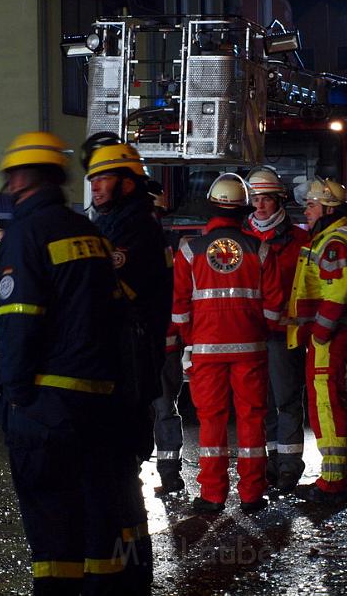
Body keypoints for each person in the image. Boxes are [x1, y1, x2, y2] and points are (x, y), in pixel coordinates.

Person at [0, 131, 148, 595]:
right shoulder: (91, 234)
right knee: (98, 519)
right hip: (101, 404)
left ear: (19, 179)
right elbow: (121, 320)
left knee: (52, 527)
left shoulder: (25, 236)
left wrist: (17, 399)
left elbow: (19, 325)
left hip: (48, 406)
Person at [84, 135, 170, 589]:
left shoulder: (135, 227)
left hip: (130, 363)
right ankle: (131, 568)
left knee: (119, 469)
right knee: (121, 475)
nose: (95, 186)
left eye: (104, 178)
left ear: (129, 182)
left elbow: (107, 282)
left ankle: (127, 573)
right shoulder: (116, 221)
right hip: (127, 358)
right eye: (93, 178)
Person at [172, 173, 284, 513]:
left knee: (212, 422)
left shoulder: (189, 250)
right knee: (252, 420)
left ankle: (212, 495)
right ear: (243, 209)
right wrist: (257, 331)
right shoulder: (262, 250)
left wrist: (192, 341)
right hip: (250, 349)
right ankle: (251, 495)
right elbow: (274, 307)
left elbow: (179, 308)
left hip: (205, 351)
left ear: (211, 206)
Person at [288, 178, 347, 505]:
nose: (306, 211)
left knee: (325, 406)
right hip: (330, 336)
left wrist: (318, 333)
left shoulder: (333, 242)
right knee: (333, 403)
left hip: (328, 339)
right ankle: (345, 474)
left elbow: (336, 294)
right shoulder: (330, 239)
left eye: (311, 205)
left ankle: (333, 483)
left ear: (328, 208)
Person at [242, 166, 310, 492]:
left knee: (286, 400)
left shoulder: (300, 240)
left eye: (265, 199)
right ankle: (270, 465)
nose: (259, 206)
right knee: (262, 403)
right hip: (251, 334)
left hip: (284, 334)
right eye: (254, 199)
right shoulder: (241, 239)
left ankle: (289, 468)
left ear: (279, 200)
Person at [146, 180, 187, 494]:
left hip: (159, 344)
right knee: (164, 410)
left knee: (162, 409)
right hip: (163, 342)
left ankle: (169, 474)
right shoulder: (170, 244)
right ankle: (169, 475)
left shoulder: (165, 246)